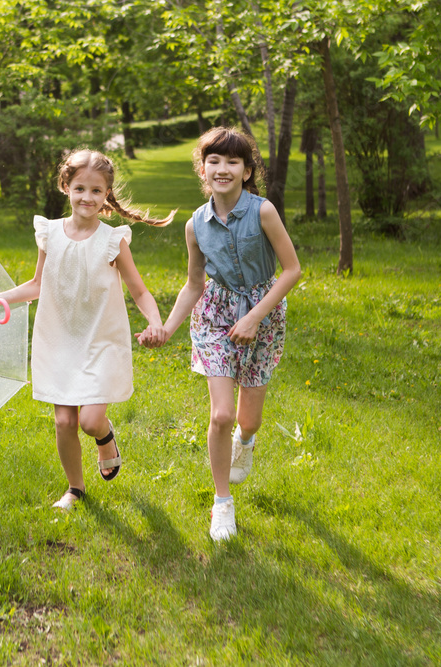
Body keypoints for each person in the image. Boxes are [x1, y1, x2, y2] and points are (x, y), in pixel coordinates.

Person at [0, 149, 175, 510]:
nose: (88, 197)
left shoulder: (113, 241)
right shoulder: (50, 233)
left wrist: (155, 322)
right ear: (66, 186)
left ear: (107, 194)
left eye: (97, 191)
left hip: (100, 339)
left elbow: (138, 290)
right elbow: (37, 285)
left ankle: (105, 436)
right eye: (80, 188)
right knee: (65, 421)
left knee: (90, 420)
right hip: (60, 339)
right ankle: (74, 489)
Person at [139, 127, 301, 541]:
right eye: (214, 161)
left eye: (232, 162)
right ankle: (222, 503)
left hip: (262, 315)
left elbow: (292, 270)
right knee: (221, 414)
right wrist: (166, 328)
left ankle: (245, 442)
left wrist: (254, 319)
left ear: (247, 171)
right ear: (203, 168)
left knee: (248, 418)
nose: (222, 168)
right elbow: (194, 284)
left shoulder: (263, 211)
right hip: (214, 315)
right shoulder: (195, 224)